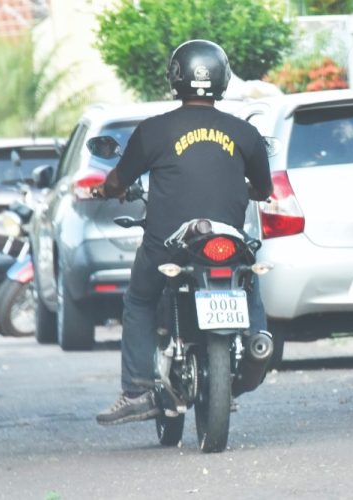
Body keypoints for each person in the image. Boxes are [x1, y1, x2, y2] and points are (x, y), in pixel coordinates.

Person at [93, 40, 274, 425]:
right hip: (228, 243)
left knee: (139, 300)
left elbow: (118, 180)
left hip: (169, 245)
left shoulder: (153, 131)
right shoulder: (244, 133)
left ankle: (137, 391)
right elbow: (264, 188)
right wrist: (245, 188)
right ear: (223, 79)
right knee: (248, 279)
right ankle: (257, 342)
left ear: (176, 78)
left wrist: (106, 190)